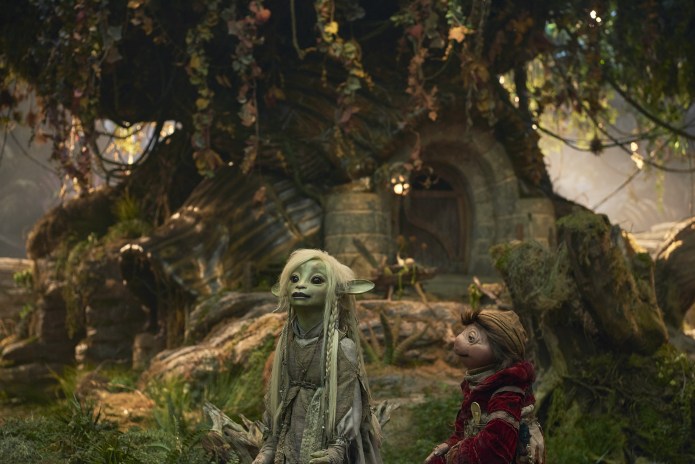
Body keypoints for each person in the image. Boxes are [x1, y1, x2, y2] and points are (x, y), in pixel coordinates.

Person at [253, 249, 383, 464]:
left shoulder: (343, 347)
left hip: (329, 435)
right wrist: (270, 444)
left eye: (316, 280)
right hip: (292, 429)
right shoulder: (287, 344)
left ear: (336, 291)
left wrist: (337, 447)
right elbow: (277, 391)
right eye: (294, 279)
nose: (300, 285)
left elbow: (350, 398)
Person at [424, 307, 545, 464]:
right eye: (465, 333)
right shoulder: (480, 385)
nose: (459, 340)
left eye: (472, 338)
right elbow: (465, 427)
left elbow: (494, 451)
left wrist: (452, 457)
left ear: (500, 353)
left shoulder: (507, 394)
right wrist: (450, 444)